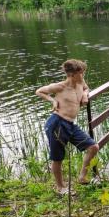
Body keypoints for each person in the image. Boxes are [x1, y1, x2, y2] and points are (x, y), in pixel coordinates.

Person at [35, 59, 99, 195]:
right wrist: (52, 100)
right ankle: (61, 187)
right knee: (57, 158)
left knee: (93, 147)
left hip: (70, 124)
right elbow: (39, 91)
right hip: (57, 123)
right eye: (81, 73)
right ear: (72, 74)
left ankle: (82, 177)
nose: (83, 76)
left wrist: (86, 95)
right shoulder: (60, 86)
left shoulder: (80, 82)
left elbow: (86, 88)